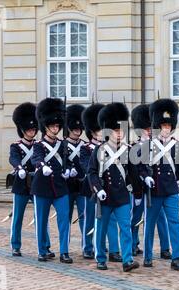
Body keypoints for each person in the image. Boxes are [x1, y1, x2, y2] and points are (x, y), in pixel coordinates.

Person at [88, 102, 140, 272]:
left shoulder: (127, 150)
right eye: (116, 131)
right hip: (105, 196)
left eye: (121, 130)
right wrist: (98, 189)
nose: (119, 134)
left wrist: (138, 193)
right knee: (101, 230)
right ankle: (101, 258)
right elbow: (92, 173)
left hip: (123, 196)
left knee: (125, 228)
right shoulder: (99, 150)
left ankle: (127, 260)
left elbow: (133, 173)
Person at [139, 98, 179, 271]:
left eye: (169, 126)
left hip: (171, 190)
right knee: (150, 223)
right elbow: (142, 166)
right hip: (155, 189)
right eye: (164, 126)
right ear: (159, 126)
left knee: (174, 223)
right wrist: (146, 177)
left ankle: (177, 257)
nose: (166, 129)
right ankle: (147, 256)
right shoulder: (149, 145)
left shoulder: (177, 145)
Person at [9, 102, 54, 257]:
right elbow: (13, 159)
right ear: (22, 130)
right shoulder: (16, 146)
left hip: (36, 184)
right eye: (29, 129)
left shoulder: (40, 145)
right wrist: (19, 168)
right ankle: (15, 245)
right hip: (21, 184)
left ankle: (45, 246)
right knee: (18, 216)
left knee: (41, 217)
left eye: (34, 129)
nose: (32, 131)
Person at [31, 98, 72, 263]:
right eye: (53, 126)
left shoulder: (63, 144)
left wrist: (69, 170)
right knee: (41, 221)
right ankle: (42, 250)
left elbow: (67, 161)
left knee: (64, 220)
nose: (56, 128)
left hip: (60, 188)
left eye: (57, 126)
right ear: (45, 127)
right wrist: (42, 166)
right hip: (42, 187)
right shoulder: (39, 145)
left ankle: (64, 251)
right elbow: (36, 158)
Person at [79, 103, 121, 261]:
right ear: (92, 132)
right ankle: (88, 247)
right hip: (92, 188)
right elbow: (86, 165)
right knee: (90, 219)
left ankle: (114, 250)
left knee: (111, 220)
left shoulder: (112, 147)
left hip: (109, 188)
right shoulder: (86, 148)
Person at [130, 104, 171, 259]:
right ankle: (134, 244)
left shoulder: (158, 146)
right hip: (140, 188)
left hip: (155, 188)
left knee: (161, 220)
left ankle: (165, 248)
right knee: (135, 217)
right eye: (146, 128)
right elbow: (133, 170)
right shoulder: (134, 147)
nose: (148, 131)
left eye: (150, 128)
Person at [65, 104, 86, 251]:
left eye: (79, 128)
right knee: (65, 218)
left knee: (84, 218)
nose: (78, 130)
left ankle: (86, 246)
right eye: (75, 128)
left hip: (82, 186)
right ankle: (64, 246)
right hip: (66, 186)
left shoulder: (85, 145)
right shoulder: (62, 145)